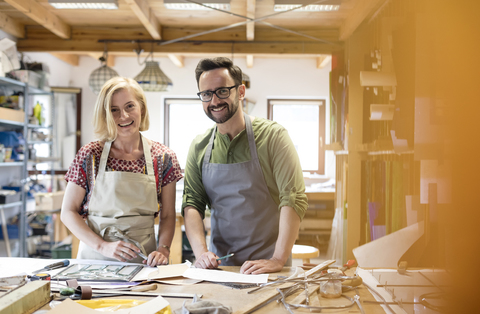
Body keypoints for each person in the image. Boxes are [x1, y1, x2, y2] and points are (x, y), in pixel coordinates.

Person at [182, 57, 308, 274]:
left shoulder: (273, 137)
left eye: (222, 91)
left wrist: (278, 258)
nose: (214, 101)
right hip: (221, 266)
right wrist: (202, 254)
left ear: (240, 92)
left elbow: (292, 198)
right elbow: (192, 203)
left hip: (268, 266)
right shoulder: (199, 147)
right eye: (206, 94)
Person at [61, 77, 182, 267]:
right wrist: (102, 247)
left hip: (144, 261)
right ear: (105, 115)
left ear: (141, 108)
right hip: (95, 260)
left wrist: (163, 250)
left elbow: (167, 215)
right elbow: (68, 212)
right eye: (114, 110)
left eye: (130, 106)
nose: (123, 116)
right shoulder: (90, 155)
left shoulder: (163, 157)